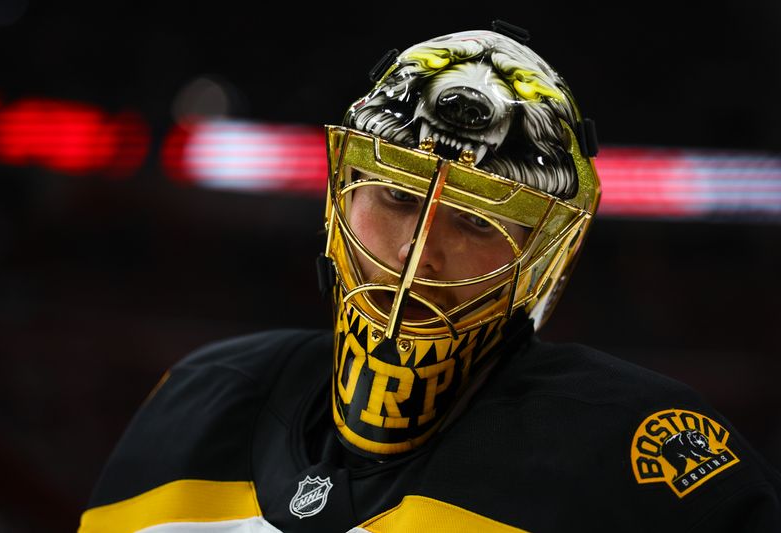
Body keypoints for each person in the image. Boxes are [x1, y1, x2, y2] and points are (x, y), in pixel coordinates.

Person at [78, 22, 781, 532]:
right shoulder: (197, 401)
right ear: (341, 193)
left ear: (546, 254)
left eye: (477, 221)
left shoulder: (640, 459)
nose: (422, 248)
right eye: (398, 196)